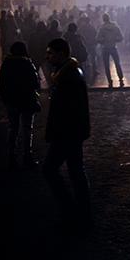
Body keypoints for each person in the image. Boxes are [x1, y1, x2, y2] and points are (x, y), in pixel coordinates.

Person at [43, 38, 91, 226]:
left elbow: (66, 110)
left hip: (66, 133)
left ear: (61, 53)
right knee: (76, 171)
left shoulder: (68, 77)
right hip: (72, 132)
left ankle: (71, 210)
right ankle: (81, 213)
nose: (47, 56)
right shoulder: (69, 72)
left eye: (50, 53)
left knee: (51, 170)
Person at [0, 42, 41, 168]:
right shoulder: (27, 63)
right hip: (26, 100)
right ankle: (27, 156)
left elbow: (2, 82)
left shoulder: (6, 63)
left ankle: (11, 156)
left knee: (13, 128)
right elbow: (35, 82)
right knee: (27, 128)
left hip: (12, 100)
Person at [96, 13, 125, 88]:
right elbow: (121, 37)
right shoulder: (115, 27)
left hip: (105, 48)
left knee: (106, 65)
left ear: (103, 19)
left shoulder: (102, 28)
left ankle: (109, 80)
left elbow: (98, 39)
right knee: (117, 63)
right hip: (113, 47)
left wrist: (104, 40)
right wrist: (114, 39)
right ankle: (121, 78)